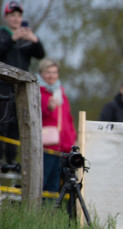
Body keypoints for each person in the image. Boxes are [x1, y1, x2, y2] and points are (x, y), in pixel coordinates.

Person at [0, 1, 45, 164]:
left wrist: (35, 39)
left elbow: (40, 54)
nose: (15, 19)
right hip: (3, 89)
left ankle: (11, 164)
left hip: (21, 91)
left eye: (18, 15)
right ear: (6, 17)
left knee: (17, 127)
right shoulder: (3, 35)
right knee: (2, 125)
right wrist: (12, 39)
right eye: (12, 15)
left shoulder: (26, 39)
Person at [38, 58, 76, 193]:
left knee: (54, 186)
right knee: (42, 183)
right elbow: (32, 116)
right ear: (41, 73)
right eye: (48, 72)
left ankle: (50, 214)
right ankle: (36, 213)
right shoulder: (37, 91)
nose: (51, 76)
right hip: (45, 148)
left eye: (54, 72)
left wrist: (73, 140)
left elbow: (68, 119)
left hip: (62, 148)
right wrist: (47, 107)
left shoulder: (61, 94)